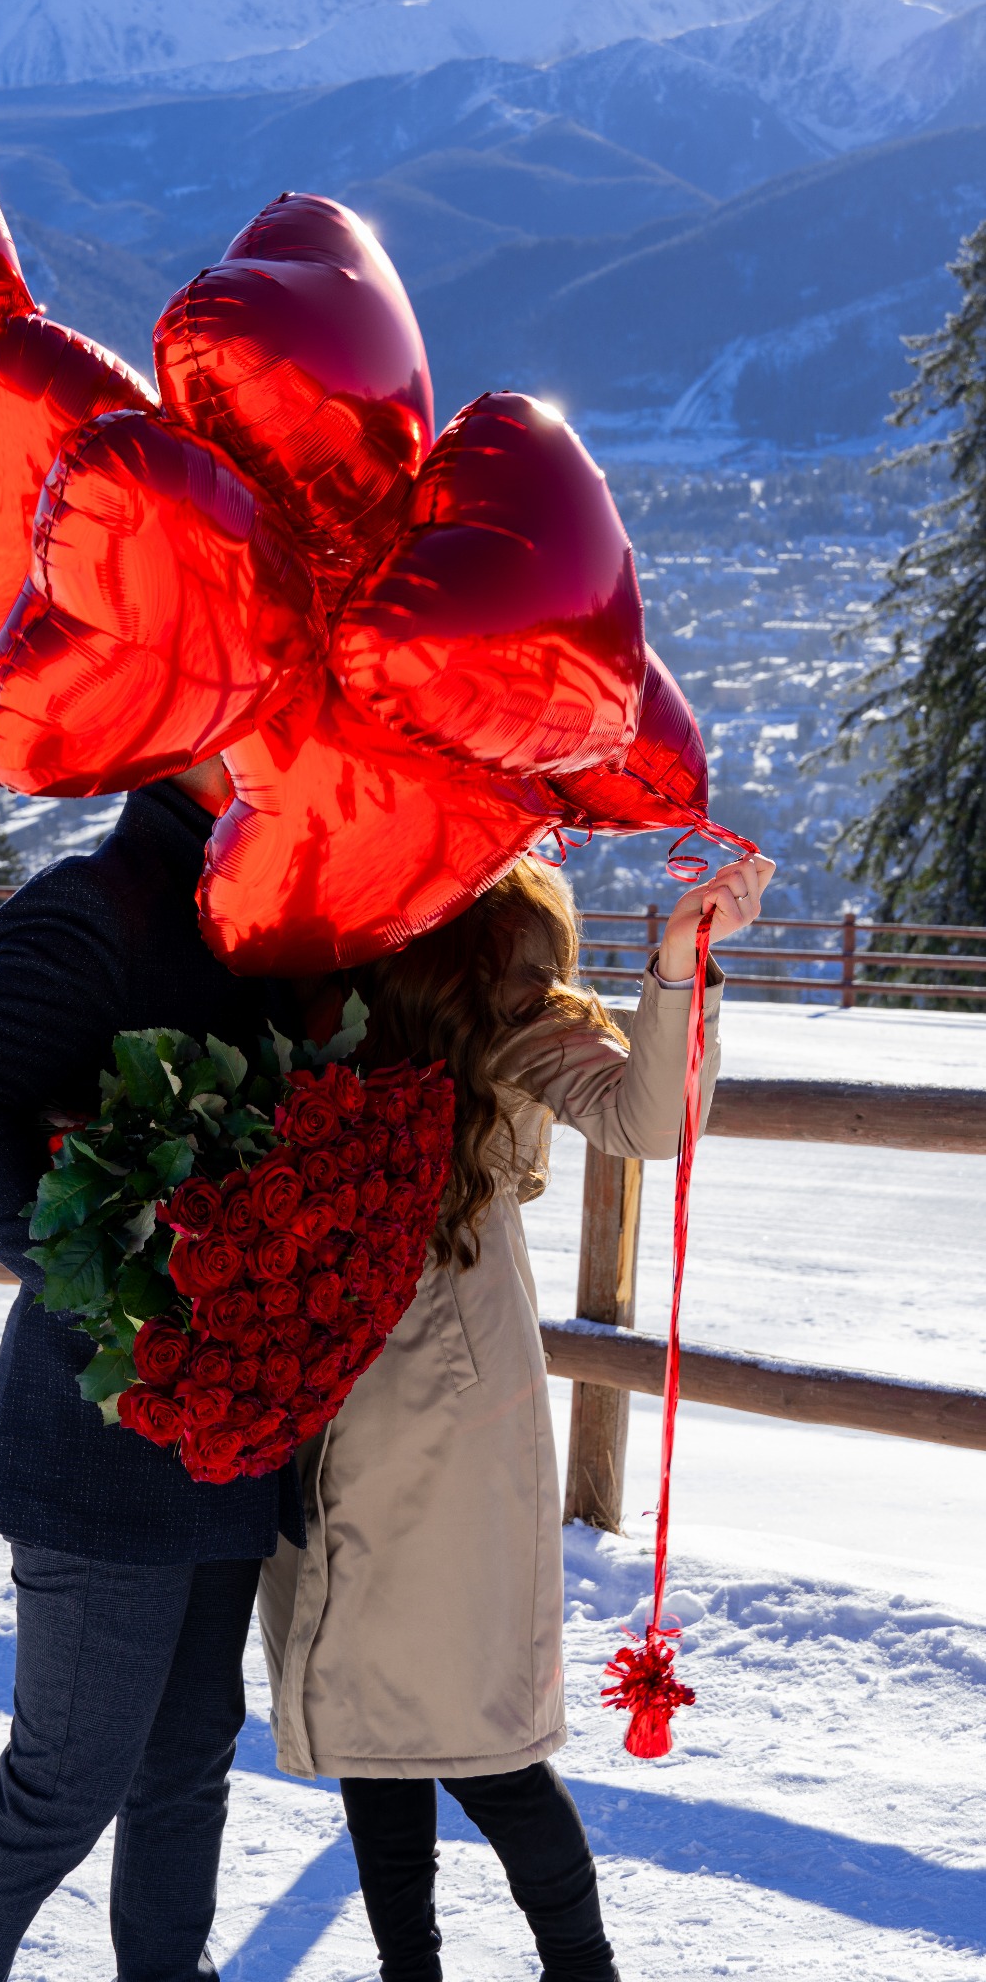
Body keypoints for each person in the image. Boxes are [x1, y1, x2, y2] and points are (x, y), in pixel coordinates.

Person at [258, 849, 774, 1982]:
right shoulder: (306, 935)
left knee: (470, 1728)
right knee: (365, 1721)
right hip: (311, 1382)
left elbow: (647, 1120)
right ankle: (410, 1967)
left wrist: (681, 963)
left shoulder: (498, 972)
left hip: (446, 1403)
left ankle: (579, 1967)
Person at [0, 758, 305, 1982]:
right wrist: (113, 1284)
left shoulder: (266, 919)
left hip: (225, 1430)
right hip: (96, 1440)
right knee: (63, 1782)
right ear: (186, 736)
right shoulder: (103, 900)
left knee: (185, 1766)